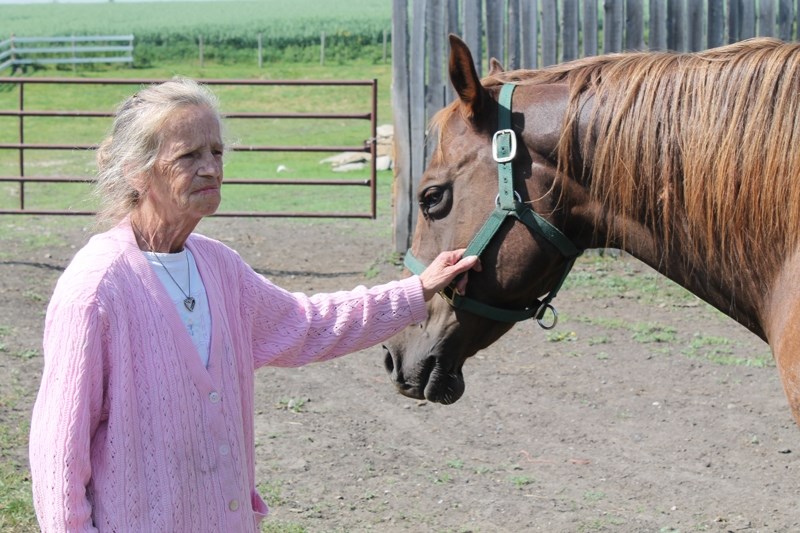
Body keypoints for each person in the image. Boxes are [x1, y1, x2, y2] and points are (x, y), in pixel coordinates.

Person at [28, 77, 478, 532]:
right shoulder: (97, 290)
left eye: (217, 152)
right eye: (189, 156)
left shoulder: (219, 268)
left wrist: (418, 289)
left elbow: (308, 324)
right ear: (136, 170)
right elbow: (58, 461)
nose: (211, 168)